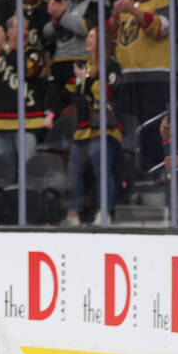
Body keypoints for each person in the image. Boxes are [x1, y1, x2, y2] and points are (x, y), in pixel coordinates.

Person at [63, 28, 121, 226]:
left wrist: (85, 82)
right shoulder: (86, 66)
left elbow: (110, 92)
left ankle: (105, 211)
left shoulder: (111, 65)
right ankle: (73, 213)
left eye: (92, 36)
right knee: (74, 170)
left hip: (105, 127)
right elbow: (75, 94)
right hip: (83, 128)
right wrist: (81, 81)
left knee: (101, 171)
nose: (87, 39)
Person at [0, 16, 45, 161]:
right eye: (21, 28)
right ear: (9, 32)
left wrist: (5, 46)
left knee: (28, 164)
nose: (26, 32)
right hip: (0, 120)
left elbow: (26, 69)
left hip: (27, 119)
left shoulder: (33, 54)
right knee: (4, 168)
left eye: (27, 28)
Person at [106, 0, 170, 71]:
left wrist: (132, 10)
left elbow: (162, 27)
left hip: (154, 72)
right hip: (126, 74)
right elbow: (109, 32)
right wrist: (115, 14)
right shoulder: (127, 4)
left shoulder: (162, 0)